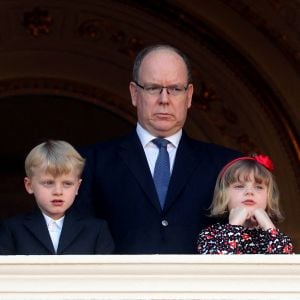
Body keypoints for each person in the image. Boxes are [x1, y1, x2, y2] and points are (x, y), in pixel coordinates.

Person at [76, 44, 241, 254]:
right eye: (153, 88)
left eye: (175, 89)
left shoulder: (226, 166)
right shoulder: (92, 162)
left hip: (199, 286)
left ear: (189, 96)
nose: (164, 99)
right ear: (134, 93)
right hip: (120, 285)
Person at [0, 140, 114, 255]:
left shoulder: (96, 230)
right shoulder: (12, 229)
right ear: (29, 185)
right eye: (48, 183)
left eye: (67, 184)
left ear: (78, 187)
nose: (58, 192)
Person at [197, 154, 294, 254]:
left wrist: (268, 225)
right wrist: (234, 225)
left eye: (259, 187)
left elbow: (287, 265)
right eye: (239, 186)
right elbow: (216, 264)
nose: (249, 192)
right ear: (224, 195)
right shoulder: (211, 234)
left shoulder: (277, 236)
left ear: (269, 197)